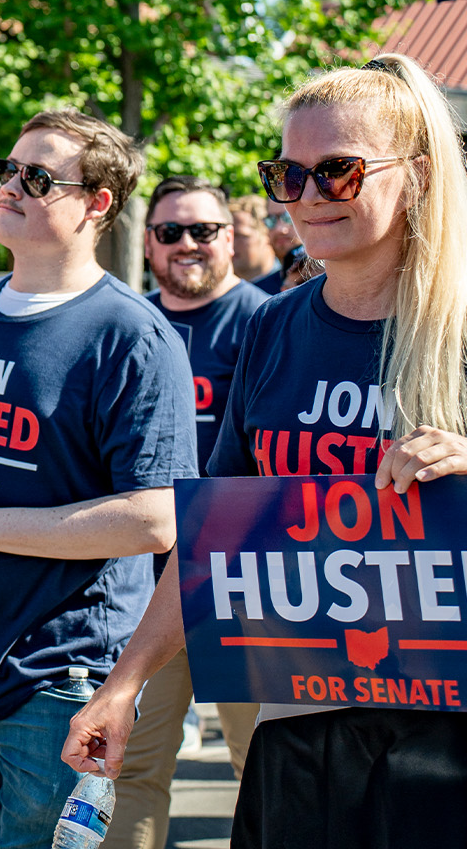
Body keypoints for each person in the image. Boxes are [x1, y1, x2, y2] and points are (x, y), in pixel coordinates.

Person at [65, 55, 467, 848]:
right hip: (297, 718)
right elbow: (218, 537)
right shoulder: (272, 327)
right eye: (289, 173)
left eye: (339, 173)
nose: (309, 197)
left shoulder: (456, 327)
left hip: (442, 732)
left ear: (415, 176)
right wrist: (126, 684)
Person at [0, 111, 193, 849]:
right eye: (9, 169)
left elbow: (157, 519)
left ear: (98, 204)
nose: (13, 186)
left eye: (40, 178)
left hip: (59, 678)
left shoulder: (131, 334)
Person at [103, 176, 266, 848]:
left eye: (204, 231)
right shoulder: (132, 324)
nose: (187, 245)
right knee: (132, 766)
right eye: (171, 232)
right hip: (154, 582)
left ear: (229, 237)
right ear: (148, 242)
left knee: (263, 767)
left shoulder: (266, 321)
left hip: (250, 581)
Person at [228, 194, 286, 294]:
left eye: (239, 235)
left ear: (266, 233)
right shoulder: (222, 294)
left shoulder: (290, 285)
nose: (230, 243)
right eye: (228, 236)